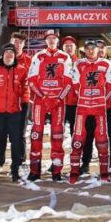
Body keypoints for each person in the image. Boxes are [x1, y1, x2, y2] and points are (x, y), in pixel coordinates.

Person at [27, 30, 73, 181]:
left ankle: (56, 170)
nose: (52, 41)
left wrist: (58, 98)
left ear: (58, 40)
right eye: (49, 38)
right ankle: (34, 170)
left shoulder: (64, 57)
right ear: (45, 41)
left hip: (58, 102)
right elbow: (32, 80)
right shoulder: (38, 56)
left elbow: (68, 82)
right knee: (36, 134)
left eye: (54, 38)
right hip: (41, 101)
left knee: (57, 135)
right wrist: (43, 96)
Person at [68, 40, 111, 183]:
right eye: (88, 49)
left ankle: (104, 172)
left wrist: (101, 99)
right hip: (82, 108)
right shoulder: (79, 64)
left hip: (100, 108)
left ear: (98, 50)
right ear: (85, 50)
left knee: (102, 139)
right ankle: (74, 172)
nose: (90, 51)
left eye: (93, 48)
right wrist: (84, 97)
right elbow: (75, 84)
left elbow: (110, 85)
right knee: (78, 139)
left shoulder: (106, 64)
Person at [0, 43, 30, 182]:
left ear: (14, 56)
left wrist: (23, 108)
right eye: (6, 53)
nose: (9, 55)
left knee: (16, 142)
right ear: (2, 55)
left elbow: (25, 90)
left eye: (11, 53)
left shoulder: (22, 70)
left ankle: (15, 171)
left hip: (14, 112)